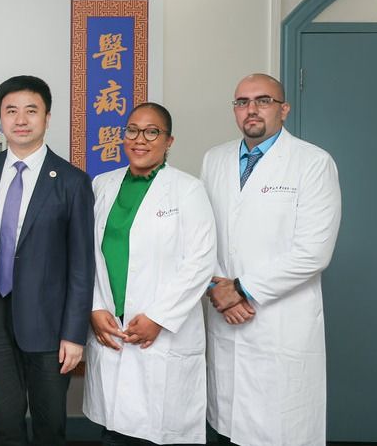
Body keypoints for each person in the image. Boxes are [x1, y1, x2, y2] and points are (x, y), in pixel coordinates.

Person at [202, 73, 341, 446]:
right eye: (242, 102)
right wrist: (219, 289)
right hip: (225, 316)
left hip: (280, 321)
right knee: (226, 427)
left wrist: (242, 289)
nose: (251, 109)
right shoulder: (214, 159)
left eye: (263, 100)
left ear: (284, 109)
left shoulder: (313, 162)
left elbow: (314, 251)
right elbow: (204, 236)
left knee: (281, 429)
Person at [0, 75, 95, 445]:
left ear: (47, 118)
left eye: (31, 111)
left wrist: (74, 334)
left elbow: (82, 265)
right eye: (11, 111)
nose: (21, 120)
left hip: (49, 322)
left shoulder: (72, 181)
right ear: (0, 118)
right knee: (4, 420)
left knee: (49, 424)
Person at [82, 102, 216, 445]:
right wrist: (95, 307)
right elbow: (88, 255)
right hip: (111, 323)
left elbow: (201, 261)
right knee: (114, 428)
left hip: (162, 330)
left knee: (158, 428)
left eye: (152, 132)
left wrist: (158, 317)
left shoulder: (188, 189)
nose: (140, 139)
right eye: (132, 130)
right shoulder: (102, 184)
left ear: (169, 141)